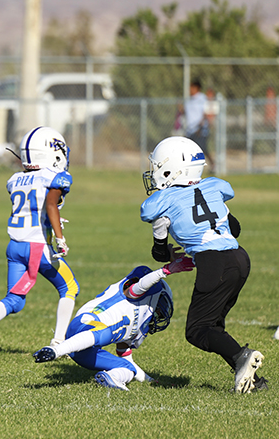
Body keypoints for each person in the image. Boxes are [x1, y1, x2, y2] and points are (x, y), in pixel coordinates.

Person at [140, 136, 266, 393]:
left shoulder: (164, 200)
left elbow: (159, 251)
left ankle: (243, 356)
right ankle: (251, 382)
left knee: (197, 330)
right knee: (213, 326)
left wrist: (162, 245)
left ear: (171, 168)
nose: (153, 173)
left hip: (214, 263)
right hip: (240, 259)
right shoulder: (213, 187)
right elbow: (236, 229)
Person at [0, 126, 79, 362]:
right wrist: (60, 237)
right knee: (69, 288)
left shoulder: (14, 180)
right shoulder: (55, 177)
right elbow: (50, 206)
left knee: (15, 300)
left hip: (15, 246)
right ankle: (59, 342)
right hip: (37, 248)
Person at [32, 257, 194, 390]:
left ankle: (112, 378)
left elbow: (125, 355)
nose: (160, 312)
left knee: (127, 368)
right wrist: (165, 271)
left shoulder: (136, 323)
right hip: (85, 325)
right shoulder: (136, 294)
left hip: (82, 352)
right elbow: (141, 286)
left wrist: (150, 380)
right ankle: (56, 350)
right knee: (106, 331)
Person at [183, 79, 212, 162]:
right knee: (188, 149)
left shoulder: (202, 99)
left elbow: (206, 113)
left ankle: (213, 165)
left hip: (200, 129)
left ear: (197, 88)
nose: (190, 90)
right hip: (190, 129)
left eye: (191, 87)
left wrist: (201, 125)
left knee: (203, 148)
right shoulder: (189, 100)